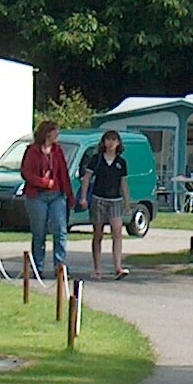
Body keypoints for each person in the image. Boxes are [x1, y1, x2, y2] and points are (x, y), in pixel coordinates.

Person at [20, 118, 74, 285]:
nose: (57, 134)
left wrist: (70, 195)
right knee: (39, 233)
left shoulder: (57, 150)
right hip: (37, 196)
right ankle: (37, 267)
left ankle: (60, 266)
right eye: (55, 131)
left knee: (60, 230)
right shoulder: (32, 151)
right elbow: (26, 173)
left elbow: (63, 173)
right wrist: (43, 183)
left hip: (57, 195)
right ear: (47, 133)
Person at [81, 129, 132, 280]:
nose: (111, 143)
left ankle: (118, 267)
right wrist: (83, 197)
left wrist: (127, 203)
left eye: (114, 140)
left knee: (117, 233)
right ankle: (97, 268)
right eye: (108, 140)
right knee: (98, 234)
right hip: (98, 198)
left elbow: (123, 183)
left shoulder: (121, 162)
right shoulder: (96, 159)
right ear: (103, 142)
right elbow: (87, 178)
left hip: (115, 200)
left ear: (118, 143)